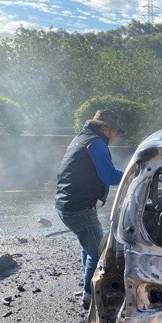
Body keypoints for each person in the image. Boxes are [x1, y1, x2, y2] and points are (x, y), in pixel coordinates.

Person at [55, 110, 125, 309]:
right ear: (106, 129)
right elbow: (108, 176)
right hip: (78, 207)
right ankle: (89, 297)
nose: (116, 136)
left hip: (65, 203)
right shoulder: (96, 143)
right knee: (98, 251)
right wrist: (133, 174)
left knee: (87, 246)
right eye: (116, 132)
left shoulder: (81, 138)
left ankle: (87, 285)